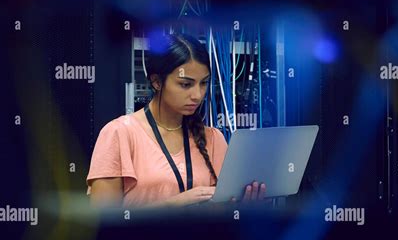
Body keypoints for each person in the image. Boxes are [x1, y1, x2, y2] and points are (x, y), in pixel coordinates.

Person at [86, 33, 266, 207]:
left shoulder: (213, 139)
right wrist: (176, 204)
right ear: (157, 82)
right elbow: (103, 223)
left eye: (203, 83)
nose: (197, 95)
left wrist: (244, 206)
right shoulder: (119, 133)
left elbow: (223, 213)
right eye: (185, 84)